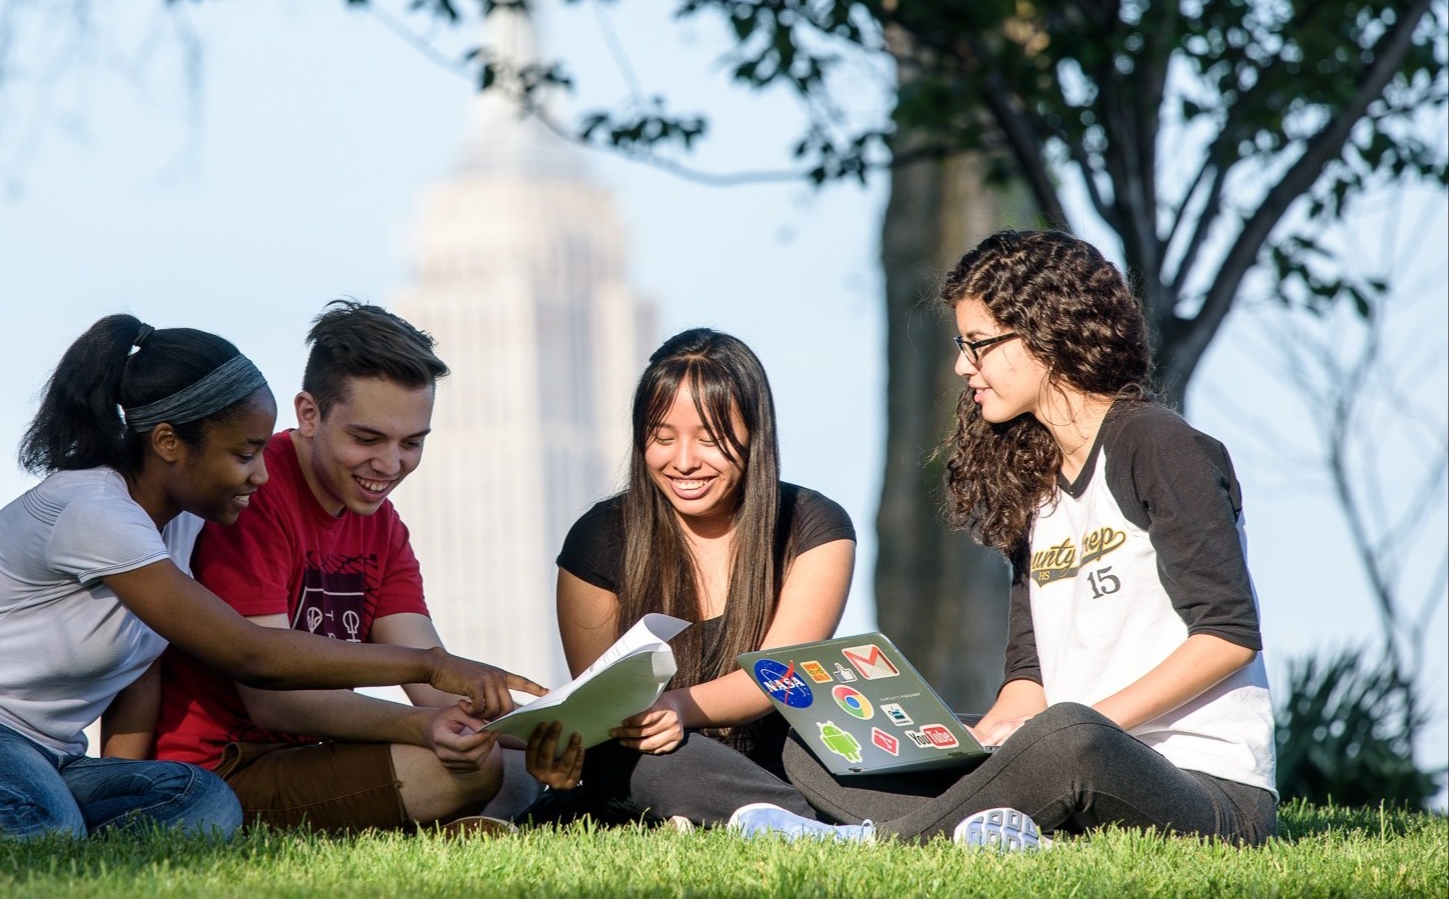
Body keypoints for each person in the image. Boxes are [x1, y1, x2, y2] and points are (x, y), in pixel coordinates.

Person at [0, 314, 538, 852]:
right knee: (36, 828)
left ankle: (50, 819)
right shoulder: (91, 511)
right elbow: (247, 653)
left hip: (49, 756)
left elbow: (140, 670)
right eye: (239, 452)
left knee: (196, 805)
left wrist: (126, 785)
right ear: (167, 444)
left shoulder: (183, 520)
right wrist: (445, 674)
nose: (258, 473)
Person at [731, 229, 1277, 850]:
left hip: (1205, 789)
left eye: (979, 345)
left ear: (1048, 335)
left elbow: (1228, 636)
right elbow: (1030, 672)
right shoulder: (1033, 478)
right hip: (1064, 754)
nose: (964, 365)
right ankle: (1007, 829)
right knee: (819, 742)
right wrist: (984, 742)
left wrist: (1058, 734)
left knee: (1071, 735)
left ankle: (874, 841)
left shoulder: (1157, 444)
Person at [113, 301, 534, 833]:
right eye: (367, 439)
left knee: (515, 763)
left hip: (314, 757)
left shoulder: (381, 522)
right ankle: (446, 825)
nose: (390, 465)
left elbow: (434, 680)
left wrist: (562, 727)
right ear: (309, 414)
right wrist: (422, 726)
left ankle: (451, 827)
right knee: (462, 768)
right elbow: (276, 704)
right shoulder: (248, 496)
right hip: (225, 767)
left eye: (411, 443)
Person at [520, 328, 858, 827]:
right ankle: (821, 829)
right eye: (662, 438)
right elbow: (603, 707)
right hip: (666, 762)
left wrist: (679, 706)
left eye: (710, 440)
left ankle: (780, 819)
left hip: (786, 758)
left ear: (753, 437)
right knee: (638, 760)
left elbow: (778, 680)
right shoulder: (599, 537)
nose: (682, 462)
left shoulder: (813, 526)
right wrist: (564, 754)